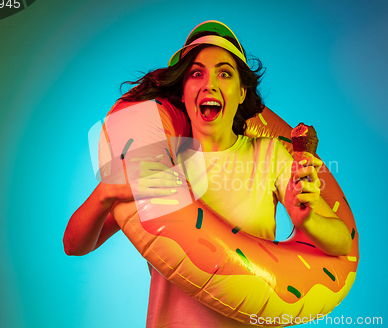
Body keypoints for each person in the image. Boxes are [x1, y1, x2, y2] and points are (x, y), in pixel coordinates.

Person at [64, 21, 352, 327]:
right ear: (184, 92)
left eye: (224, 73)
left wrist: (308, 219)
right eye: (196, 74)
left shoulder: (270, 154)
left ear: (242, 93)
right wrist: (105, 191)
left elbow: (341, 244)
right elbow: (75, 245)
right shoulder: (160, 161)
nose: (209, 84)